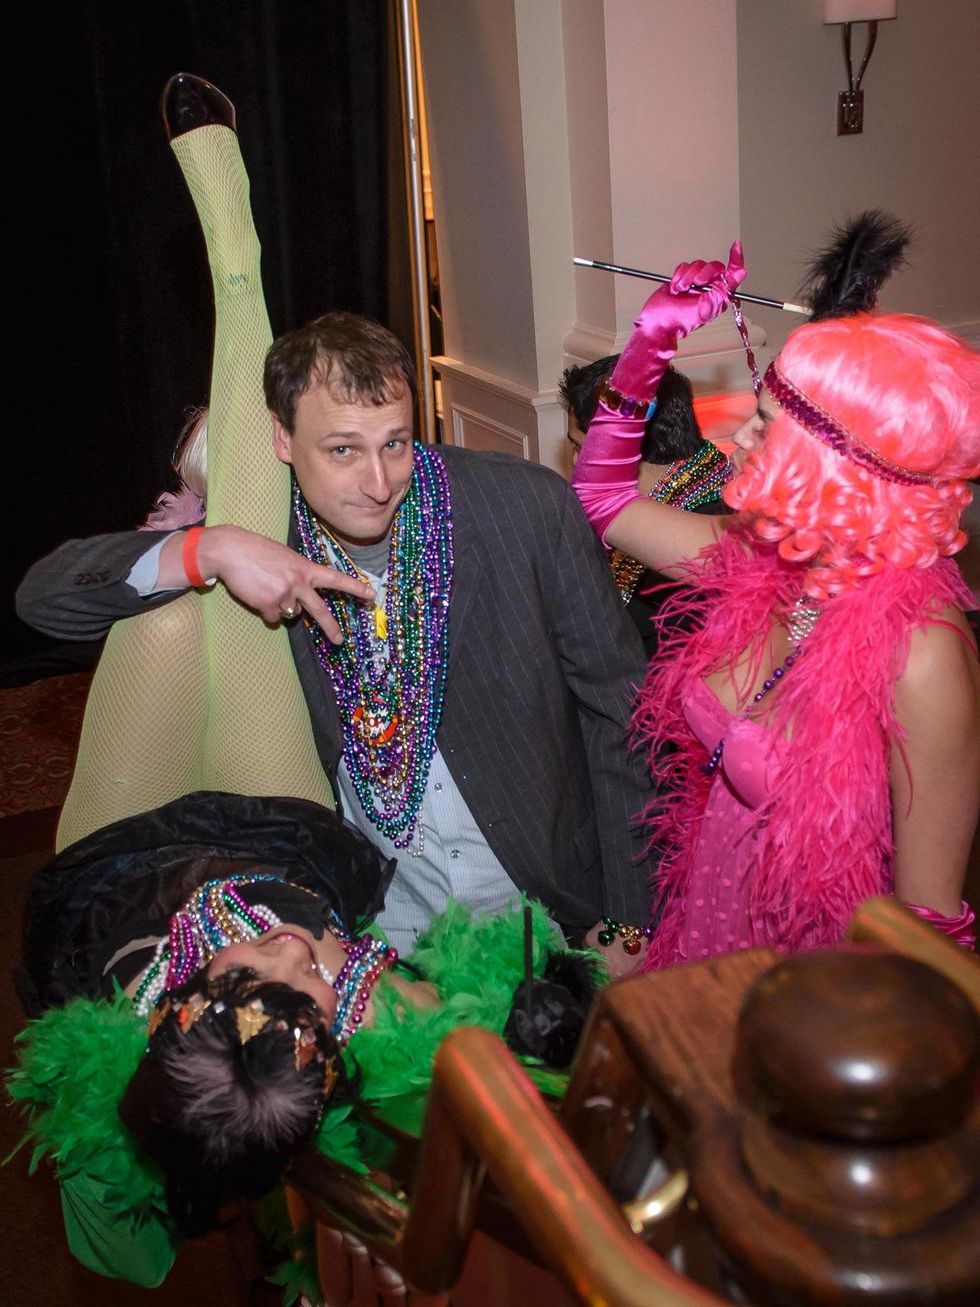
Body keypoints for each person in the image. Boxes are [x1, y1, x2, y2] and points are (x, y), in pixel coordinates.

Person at [16, 77, 655, 968]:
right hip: (371, 934)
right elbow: (46, 599)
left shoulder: (523, 507)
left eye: (396, 443)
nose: (378, 480)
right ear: (281, 440)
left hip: (549, 907)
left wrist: (629, 916)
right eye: (343, 451)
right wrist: (213, 547)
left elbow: (624, 711)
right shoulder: (256, 525)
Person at [571, 242, 980, 968]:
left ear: (838, 464)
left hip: (815, 984)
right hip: (706, 917)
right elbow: (602, 499)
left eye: (765, 424)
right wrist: (647, 347)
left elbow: (926, 931)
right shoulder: (764, 553)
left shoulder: (921, 654)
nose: (735, 437)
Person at [9, 790, 600, 1290]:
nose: (293, 949)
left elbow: (117, 1258)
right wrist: (533, 1019)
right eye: (312, 982)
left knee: (167, 643)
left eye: (242, 977)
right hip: (280, 842)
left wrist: (126, 1114)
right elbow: (461, 1016)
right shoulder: (361, 1012)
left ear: (170, 1015)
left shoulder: (147, 1061)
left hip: (101, 886)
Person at [559, 358, 731, 656]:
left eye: (581, 448)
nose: (576, 461)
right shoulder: (697, 486)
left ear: (622, 452)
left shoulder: (691, 562)